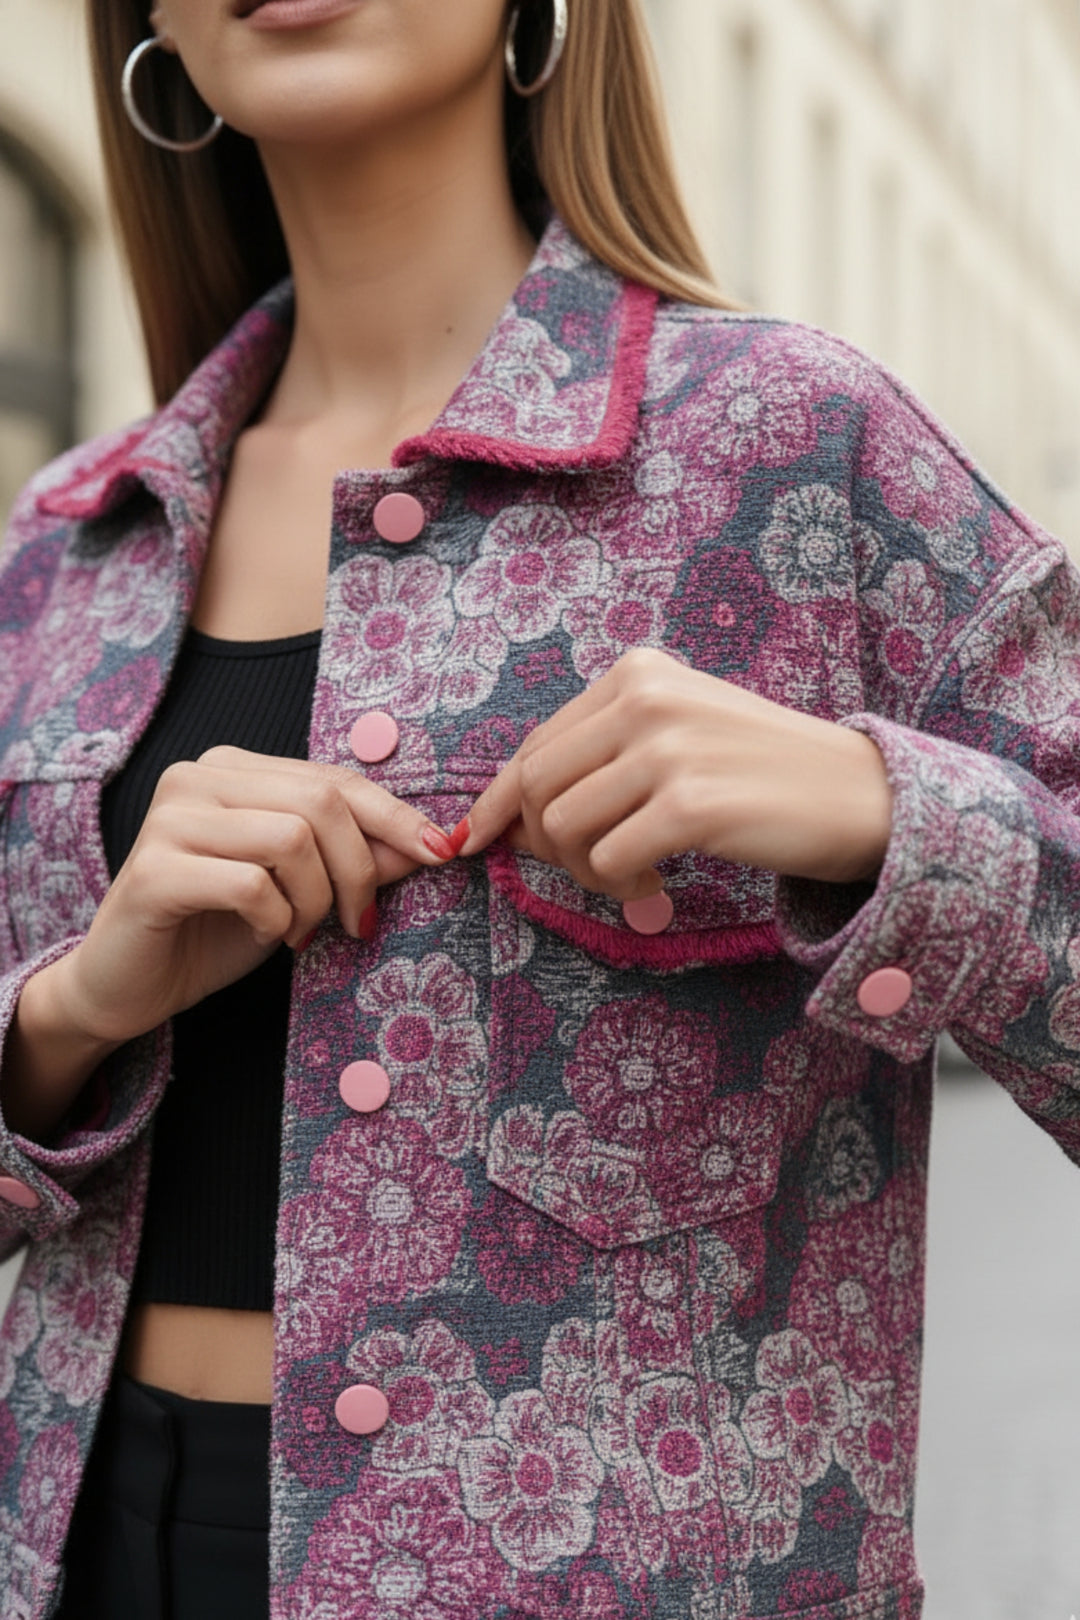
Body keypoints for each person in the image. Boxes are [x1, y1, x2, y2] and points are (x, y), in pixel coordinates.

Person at [0, 0, 1077, 1615]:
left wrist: (881, 810)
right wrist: (73, 1016)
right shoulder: (65, 551)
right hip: (84, 1549)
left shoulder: (797, 454)